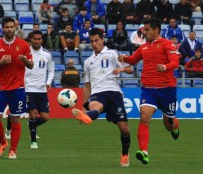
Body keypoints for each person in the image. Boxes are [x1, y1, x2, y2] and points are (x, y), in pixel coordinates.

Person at [118, 18, 180, 165]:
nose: (144, 33)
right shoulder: (144, 47)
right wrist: (124, 58)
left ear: (156, 30)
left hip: (167, 90)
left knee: (168, 125)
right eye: (144, 30)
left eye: (147, 30)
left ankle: (174, 126)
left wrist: (165, 67)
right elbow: (133, 60)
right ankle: (144, 152)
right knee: (144, 117)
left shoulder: (167, 44)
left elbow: (175, 62)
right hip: (148, 90)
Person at [71, 28, 132, 167]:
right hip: (98, 92)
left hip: (114, 92)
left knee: (124, 129)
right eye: (91, 41)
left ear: (102, 40)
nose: (94, 44)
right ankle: (86, 116)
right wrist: (83, 106)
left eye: (96, 40)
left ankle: (124, 154)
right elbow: (87, 85)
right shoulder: (88, 62)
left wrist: (121, 69)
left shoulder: (112, 53)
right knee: (94, 106)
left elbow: (130, 68)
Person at [0, 17, 33, 159]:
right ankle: (2, 142)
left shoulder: (24, 45)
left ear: (15, 28)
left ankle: (13, 150)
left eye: (11, 27)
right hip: (0, 88)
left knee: (15, 119)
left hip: (17, 88)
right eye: (6, 27)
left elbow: (31, 65)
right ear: (3, 28)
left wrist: (25, 61)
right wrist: (0, 62)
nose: (9, 29)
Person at [25, 30, 54, 148]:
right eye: (34, 39)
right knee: (32, 114)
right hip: (28, 88)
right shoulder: (26, 52)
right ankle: (33, 142)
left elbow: (51, 70)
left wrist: (48, 82)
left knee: (45, 117)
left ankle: (32, 125)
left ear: (42, 40)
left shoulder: (47, 54)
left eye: (39, 39)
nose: (37, 41)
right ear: (31, 39)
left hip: (42, 90)